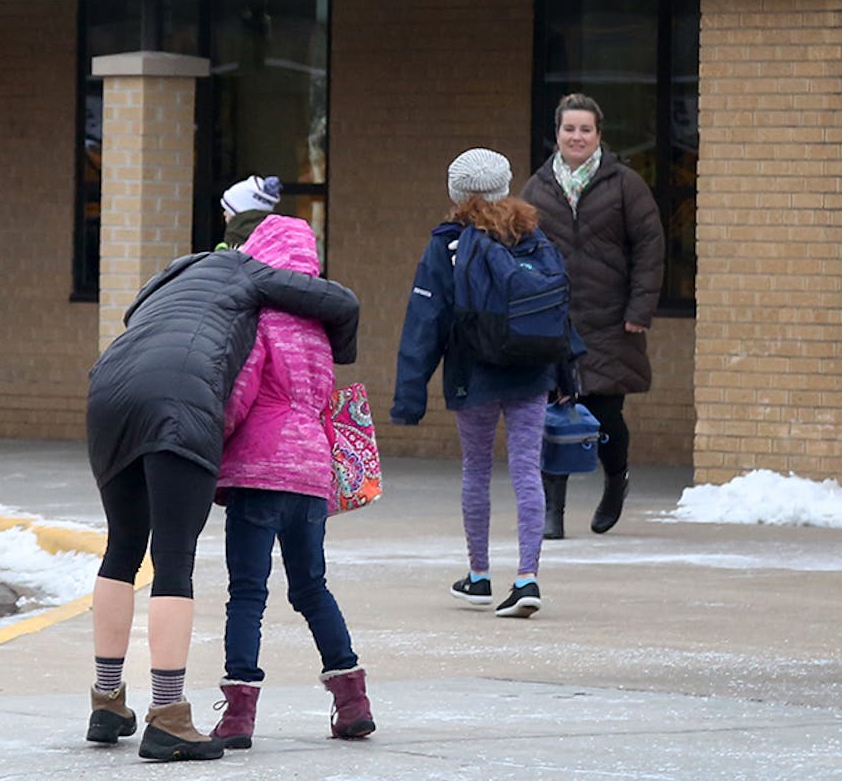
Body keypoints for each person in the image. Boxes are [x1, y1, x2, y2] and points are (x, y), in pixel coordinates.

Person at [84, 238, 360, 761]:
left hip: (109, 389)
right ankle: (167, 717)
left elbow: (132, 310)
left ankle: (107, 702)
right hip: (180, 400)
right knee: (173, 560)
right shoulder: (251, 271)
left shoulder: (177, 271)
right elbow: (343, 303)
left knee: (122, 546)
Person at [393, 148, 581, 620]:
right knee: (526, 470)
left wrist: (408, 398)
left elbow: (425, 321)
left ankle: (478, 576)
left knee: (476, 470)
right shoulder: (533, 237)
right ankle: (527, 577)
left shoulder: (447, 245)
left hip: (473, 373)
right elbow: (558, 312)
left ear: (458, 193)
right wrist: (565, 373)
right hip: (532, 371)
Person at [208, 216, 374, 749]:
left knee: (247, 592)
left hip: (259, 471)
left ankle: (238, 716)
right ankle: (352, 701)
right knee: (310, 587)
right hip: (310, 473)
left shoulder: (258, 323)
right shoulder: (319, 331)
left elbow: (238, 399)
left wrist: (211, 444)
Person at [519, 94, 665, 538]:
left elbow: (650, 248)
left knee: (604, 414)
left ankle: (615, 479)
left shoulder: (625, 184)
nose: (576, 136)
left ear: (599, 135)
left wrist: (640, 309)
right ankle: (553, 513)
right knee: (552, 413)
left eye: (585, 129)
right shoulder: (537, 188)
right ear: (557, 134)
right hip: (555, 322)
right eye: (569, 129)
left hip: (610, 321)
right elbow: (519, 252)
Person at [217, 175, 283, 249]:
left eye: (227, 209)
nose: (224, 213)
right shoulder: (283, 240)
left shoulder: (236, 238)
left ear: (238, 211)